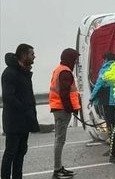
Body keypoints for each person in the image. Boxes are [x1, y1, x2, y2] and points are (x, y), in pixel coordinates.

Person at [1, 45, 39, 179]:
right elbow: (8, 96)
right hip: (14, 121)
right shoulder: (10, 73)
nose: (34, 56)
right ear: (23, 55)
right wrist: (24, 108)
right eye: (32, 54)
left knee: (21, 152)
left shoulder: (24, 72)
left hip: (24, 120)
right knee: (10, 153)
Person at [49, 49, 82, 178]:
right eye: (74, 59)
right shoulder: (65, 72)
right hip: (62, 109)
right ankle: (57, 170)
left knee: (59, 139)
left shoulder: (59, 69)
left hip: (58, 108)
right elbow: (64, 93)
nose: (75, 62)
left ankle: (59, 168)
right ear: (70, 59)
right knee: (60, 140)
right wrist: (71, 109)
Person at [90, 52, 115, 132]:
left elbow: (99, 84)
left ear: (106, 59)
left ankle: (111, 136)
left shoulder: (105, 69)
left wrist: (92, 97)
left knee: (109, 119)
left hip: (108, 99)